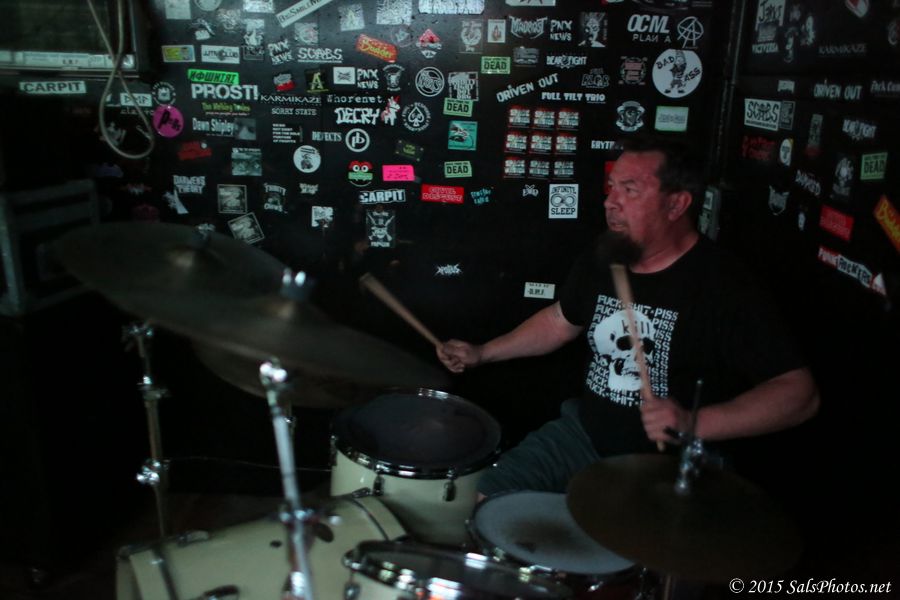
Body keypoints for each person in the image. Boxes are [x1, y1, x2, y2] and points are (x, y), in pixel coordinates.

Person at [436, 134, 820, 497]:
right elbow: (559, 321)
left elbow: (799, 394)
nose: (610, 201)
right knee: (488, 498)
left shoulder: (724, 286)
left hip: (669, 463)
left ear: (676, 205)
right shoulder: (607, 255)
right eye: (612, 186)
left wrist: (693, 423)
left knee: (628, 538)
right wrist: (483, 352)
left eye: (630, 190)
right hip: (583, 436)